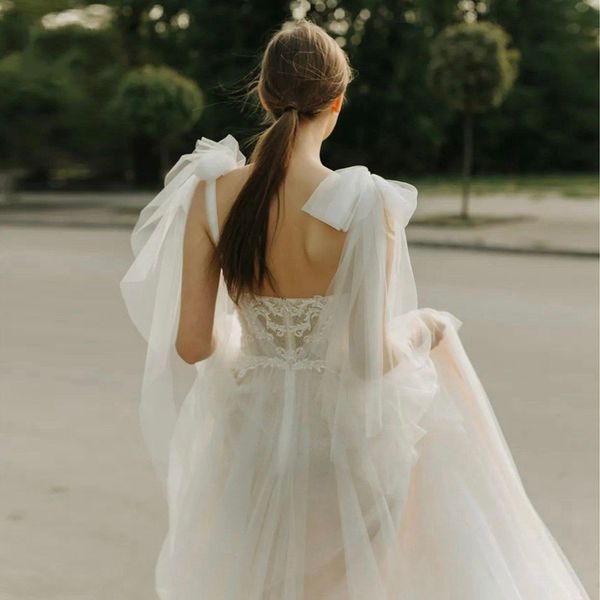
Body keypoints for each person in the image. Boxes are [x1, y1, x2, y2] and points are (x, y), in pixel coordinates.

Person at [121, 19, 590, 600]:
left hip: (248, 438)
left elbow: (192, 346)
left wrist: (258, 339)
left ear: (264, 97)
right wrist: (427, 327)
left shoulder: (212, 196)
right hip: (340, 444)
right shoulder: (368, 203)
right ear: (337, 102)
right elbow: (371, 360)